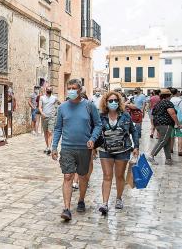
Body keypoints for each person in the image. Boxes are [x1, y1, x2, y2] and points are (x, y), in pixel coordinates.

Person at [52, 79, 102, 221]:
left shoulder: (89, 106)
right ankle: (67, 208)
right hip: (67, 147)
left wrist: (93, 138)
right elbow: (58, 128)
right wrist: (54, 146)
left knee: (83, 176)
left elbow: (98, 124)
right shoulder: (62, 107)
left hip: (84, 148)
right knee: (68, 176)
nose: (71, 90)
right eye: (69, 88)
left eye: (74, 88)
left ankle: (81, 199)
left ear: (80, 90)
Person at [95, 91, 139, 215]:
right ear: (106, 102)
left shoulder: (125, 116)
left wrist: (136, 146)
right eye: (110, 101)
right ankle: (104, 203)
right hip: (105, 150)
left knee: (119, 176)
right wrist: (93, 146)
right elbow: (96, 131)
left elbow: (133, 131)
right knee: (107, 176)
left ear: (119, 102)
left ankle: (119, 198)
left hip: (123, 150)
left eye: (115, 100)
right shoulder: (101, 116)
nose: (113, 103)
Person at [148, 89, 180, 166]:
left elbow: (153, 115)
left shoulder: (158, 103)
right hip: (166, 124)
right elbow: (172, 113)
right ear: (169, 95)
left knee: (167, 142)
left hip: (158, 124)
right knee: (162, 141)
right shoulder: (168, 103)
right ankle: (151, 155)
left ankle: (168, 159)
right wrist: (177, 123)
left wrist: (153, 125)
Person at [39, 87, 59, 155]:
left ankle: (49, 147)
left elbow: (58, 104)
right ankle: (47, 146)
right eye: (48, 89)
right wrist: (42, 113)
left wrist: (55, 112)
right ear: (46, 90)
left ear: (52, 90)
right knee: (45, 132)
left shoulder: (54, 98)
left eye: (50, 89)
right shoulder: (42, 98)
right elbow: (40, 107)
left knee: (50, 132)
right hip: (44, 117)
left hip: (51, 117)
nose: (49, 90)